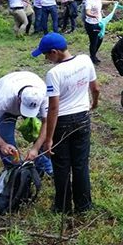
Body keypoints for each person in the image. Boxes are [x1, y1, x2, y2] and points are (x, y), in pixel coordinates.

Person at [32, 33, 99, 214]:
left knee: (61, 166)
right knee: (80, 164)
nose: (46, 58)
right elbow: (96, 88)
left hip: (63, 122)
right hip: (83, 118)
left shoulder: (53, 73)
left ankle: (62, 206)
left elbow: (53, 108)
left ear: (55, 52)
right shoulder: (85, 60)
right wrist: (94, 102)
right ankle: (83, 205)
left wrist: (48, 138)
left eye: (46, 55)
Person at [0, 71, 54, 176]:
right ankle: (14, 171)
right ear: (19, 100)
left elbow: (47, 123)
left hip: (29, 80)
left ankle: (45, 169)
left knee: (41, 135)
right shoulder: (4, 99)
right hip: (7, 105)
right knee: (6, 141)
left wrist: (35, 149)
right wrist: (2, 145)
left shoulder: (44, 95)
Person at [84, 0, 114, 64]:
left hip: (99, 23)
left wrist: (111, 2)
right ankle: (93, 57)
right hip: (91, 24)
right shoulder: (89, 0)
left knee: (100, 39)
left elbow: (101, 1)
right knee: (94, 41)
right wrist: (93, 15)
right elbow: (87, 12)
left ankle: (93, 55)